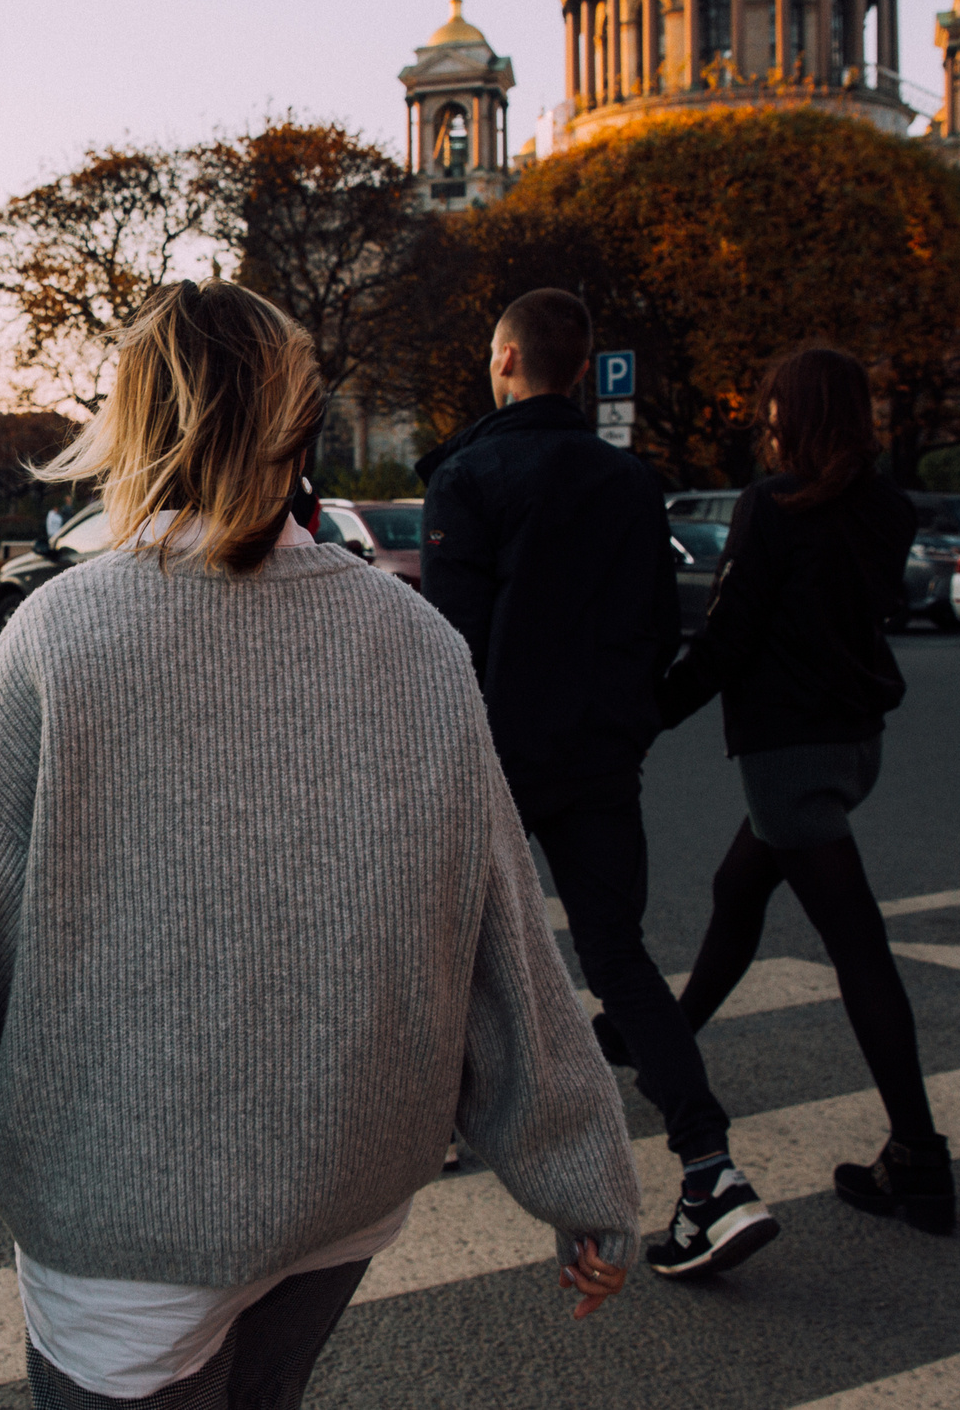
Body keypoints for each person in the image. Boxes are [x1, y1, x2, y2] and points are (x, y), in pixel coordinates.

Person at [0, 280, 639, 1410]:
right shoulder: (412, 640)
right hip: (344, 1190)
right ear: (298, 424)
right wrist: (582, 1177)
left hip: (125, 1218)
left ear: (132, 426)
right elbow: (498, 931)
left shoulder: (65, 633)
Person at [417, 288, 776, 1280]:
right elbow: (658, 627)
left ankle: (438, 1127)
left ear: (501, 361)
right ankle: (710, 1168)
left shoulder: (469, 475)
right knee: (620, 964)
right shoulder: (630, 480)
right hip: (598, 758)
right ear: (579, 370)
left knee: (448, 940)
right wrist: (629, 725)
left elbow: (453, 648)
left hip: (496, 757)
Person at [656, 346, 953, 1235]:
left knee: (859, 947)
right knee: (738, 887)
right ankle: (661, 1041)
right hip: (855, 743)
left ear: (799, 414)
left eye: (773, 406)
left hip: (790, 750)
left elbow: (728, 639)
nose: (764, 420)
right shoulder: (887, 507)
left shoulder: (773, 508)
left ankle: (919, 1157)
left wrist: (639, 717)